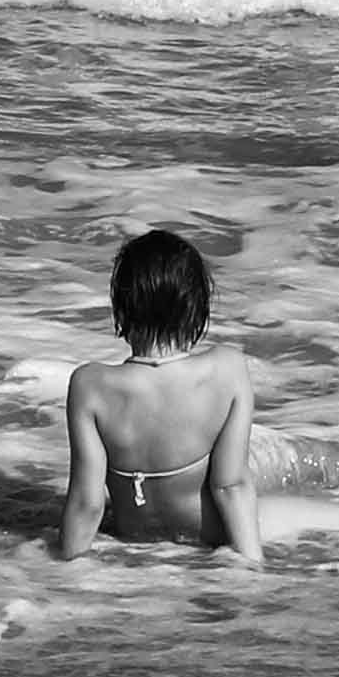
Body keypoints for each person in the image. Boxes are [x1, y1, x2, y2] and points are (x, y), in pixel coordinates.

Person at [54, 227, 264, 563]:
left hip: (134, 547)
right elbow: (231, 486)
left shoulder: (90, 386)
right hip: (207, 549)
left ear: (122, 308)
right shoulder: (227, 371)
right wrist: (253, 566)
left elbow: (87, 503)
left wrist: (63, 572)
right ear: (196, 309)